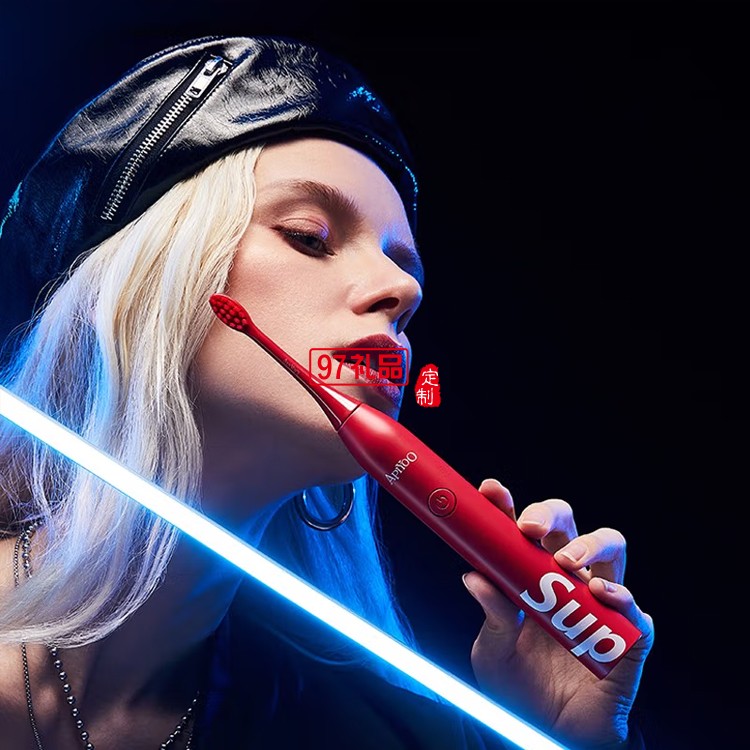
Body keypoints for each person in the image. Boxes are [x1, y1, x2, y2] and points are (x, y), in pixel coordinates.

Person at [0, 35, 654, 749]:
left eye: (405, 269)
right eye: (309, 236)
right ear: (140, 284)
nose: (403, 291)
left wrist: (555, 736)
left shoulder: (370, 733)